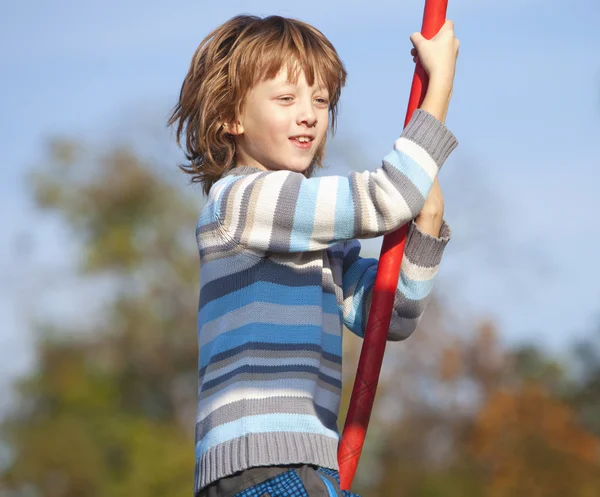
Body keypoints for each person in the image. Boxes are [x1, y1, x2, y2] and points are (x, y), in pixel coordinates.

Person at [168, 13, 459, 497]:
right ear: (230, 117)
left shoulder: (306, 232)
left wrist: (426, 227)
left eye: (321, 100)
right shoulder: (244, 202)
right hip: (261, 462)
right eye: (286, 99)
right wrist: (440, 85)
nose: (309, 114)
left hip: (305, 466)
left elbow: (389, 314)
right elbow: (388, 196)